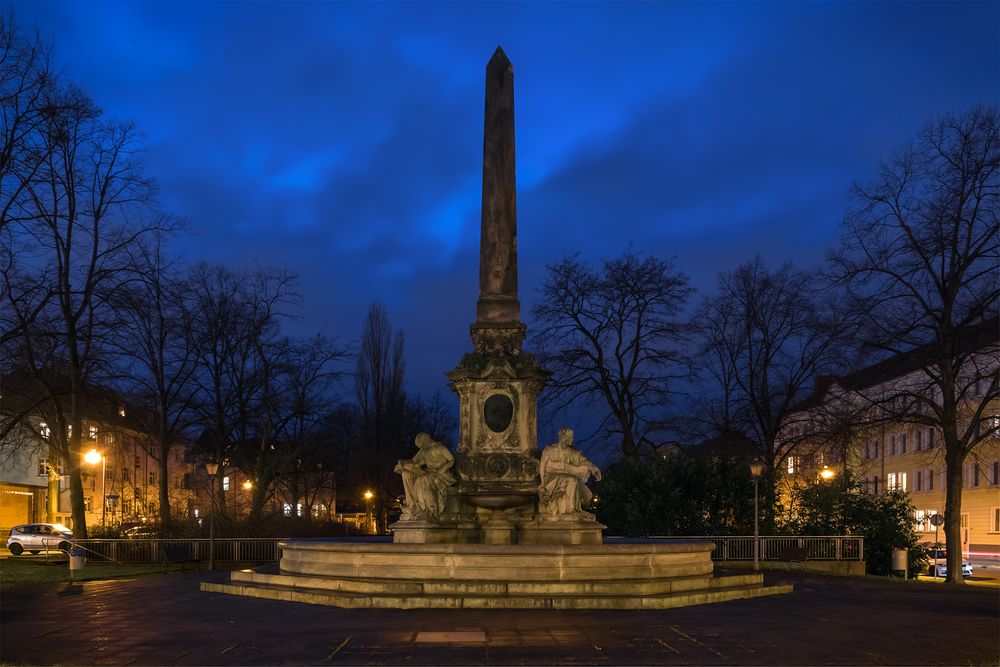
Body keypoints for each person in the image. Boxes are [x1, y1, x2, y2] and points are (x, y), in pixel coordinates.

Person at [537, 427, 602, 519]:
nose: (572, 440)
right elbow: (542, 466)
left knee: (586, 493)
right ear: (562, 438)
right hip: (551, 479)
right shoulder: (549, 450)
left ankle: (575, 509)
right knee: (572, 480)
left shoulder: (570, 452)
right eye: (569, 438)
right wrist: (543, 483)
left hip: (564, 478)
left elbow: (583, 460)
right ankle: (571, 510)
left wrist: (594, 468)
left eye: (571, 438)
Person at [395, 433, 455, 521]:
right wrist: (402, 463)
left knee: (423, 478)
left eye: (421, 445)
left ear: (426, 441)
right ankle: (412, 505)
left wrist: (441, 470)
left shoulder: (440, 447)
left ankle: (429, 509)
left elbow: (451, 460)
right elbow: (414, 461)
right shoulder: (424, 450)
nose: (421, 448)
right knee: (406, 474)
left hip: (442, 474)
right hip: (430, 472)